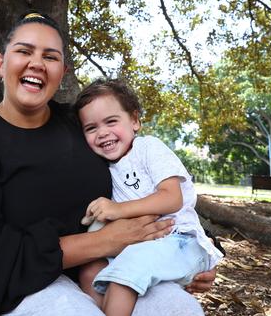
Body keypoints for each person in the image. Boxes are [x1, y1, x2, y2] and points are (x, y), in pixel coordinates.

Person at [0, 11, 216, 316]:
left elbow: (142, 174)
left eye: (50, 56)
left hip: (112, 266)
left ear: (62, 72)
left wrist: (190, 248)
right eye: (24, 51)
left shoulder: (81, 125)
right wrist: (105, 241)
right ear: (0, 63)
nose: (37, 64)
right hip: (19, 285)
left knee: (179, 309)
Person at [74, 79, 224, 316]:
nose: (102, 133)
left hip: (180, 241)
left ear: (135, 121)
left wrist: (117, 209)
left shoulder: (148, 148)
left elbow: (171, 198)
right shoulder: (105, 166)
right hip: (143, 246)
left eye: (111, 121)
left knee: (125, 274)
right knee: (89, 272)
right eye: (91, 128)